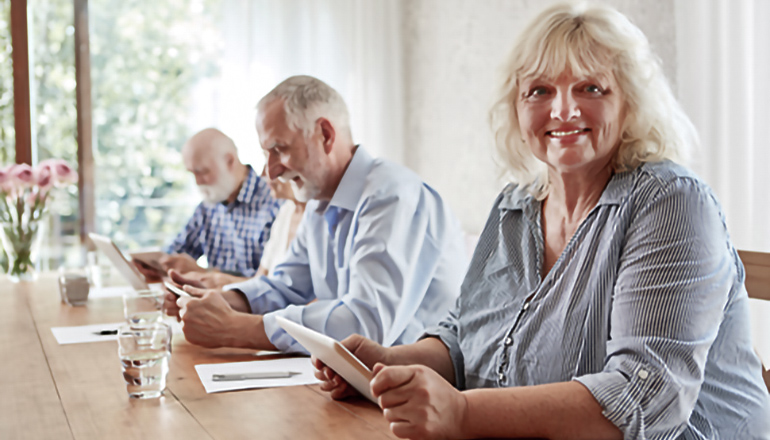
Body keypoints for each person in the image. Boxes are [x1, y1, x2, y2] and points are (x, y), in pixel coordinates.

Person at [313, 3, 770, 439]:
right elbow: (466, 335)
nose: (563, 110)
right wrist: (387, 364)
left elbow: (643, 395)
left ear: (629, 102)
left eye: (591, 88)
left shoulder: (671, 203)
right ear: (516, 107)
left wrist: (462, 412)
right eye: (540, 90)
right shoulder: (515, 206)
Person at [165, 75, 468, 354]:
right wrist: (222, 299)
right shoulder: (320, 202)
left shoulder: (392, 196)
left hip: (418, 391)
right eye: (265, 153)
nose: (271, 171)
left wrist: (236, 329)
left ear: (325, 134)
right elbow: (286, 284)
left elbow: (365, 325)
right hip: (362, 384)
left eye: (279, 149)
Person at [135, 128, 282, 281]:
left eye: (202, 171)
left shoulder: (274, 204)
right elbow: (177, 251)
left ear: (229, 161)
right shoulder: (208, 207)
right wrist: (157, 266)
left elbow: (268, 285)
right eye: (192, 173)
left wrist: (204, 273)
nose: (197, 182)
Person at [173, 166, 306, 288]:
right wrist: (213, 281)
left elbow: (286, 295)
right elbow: (262, 282)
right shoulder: (287, 210)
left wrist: (213, 278)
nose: (265, 173)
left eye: (203, 171)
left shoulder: (277, 206)